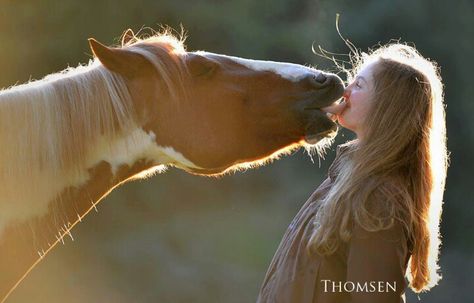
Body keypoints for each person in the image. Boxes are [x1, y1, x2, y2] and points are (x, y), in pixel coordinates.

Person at [257, 43, 448, 303]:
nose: (344, 91)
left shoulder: (380, 198)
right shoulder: (348, 178)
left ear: (387, 106)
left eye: (358, 85)